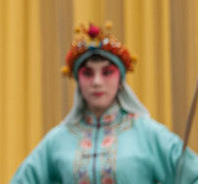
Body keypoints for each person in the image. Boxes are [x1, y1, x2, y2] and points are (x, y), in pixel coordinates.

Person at [11, 21, 198, 183]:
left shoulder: (148, 135)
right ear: (78, 80)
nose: (97, 82)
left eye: (107, 72)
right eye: (88, 73)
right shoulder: (58, 140)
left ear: (120, 80)